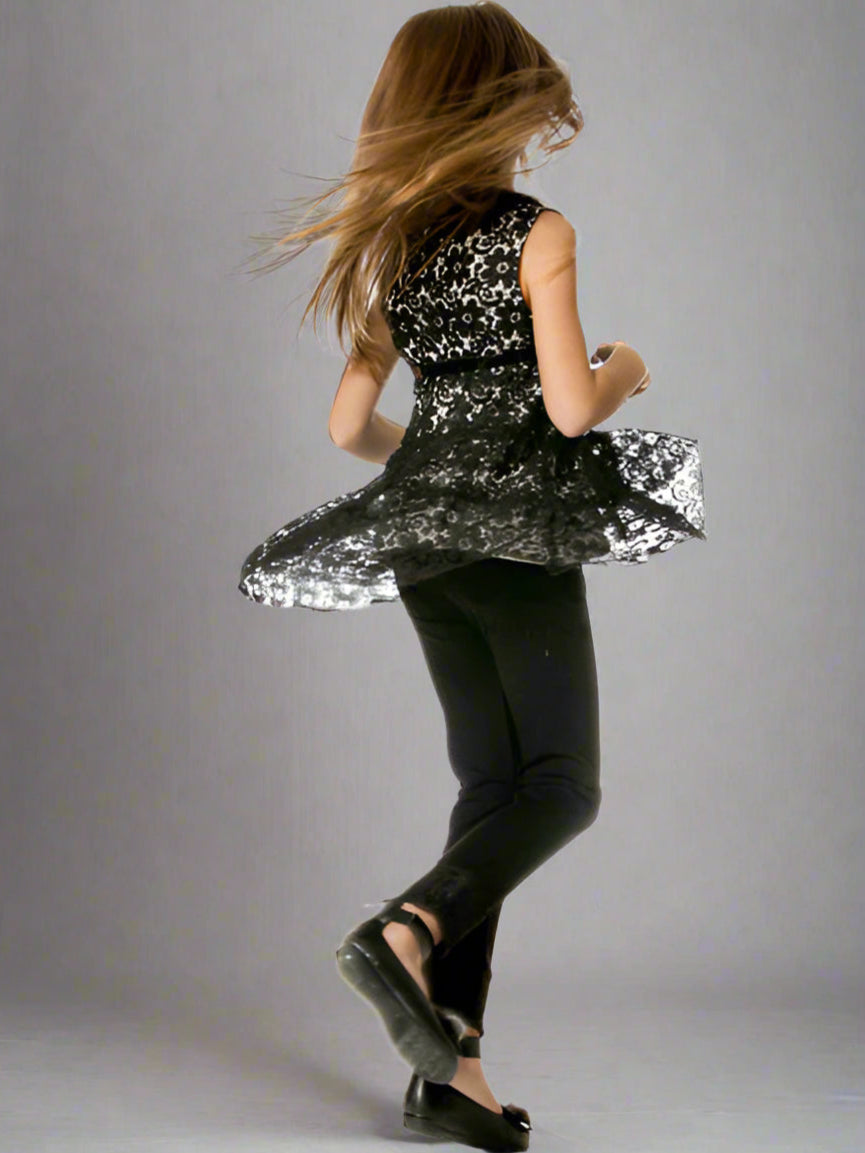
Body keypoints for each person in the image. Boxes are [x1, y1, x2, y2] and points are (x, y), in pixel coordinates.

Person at [237, 4, 706, 1148]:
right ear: (496, 103)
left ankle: (452, 1069)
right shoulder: (535, 233)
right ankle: (405, 930)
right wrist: (628, 366)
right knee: (560, 786)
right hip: (510, 538)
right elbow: (568, 407)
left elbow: (351, 426)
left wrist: (441, 475)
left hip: (423, 538)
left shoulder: (388, 240)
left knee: (491, 791)